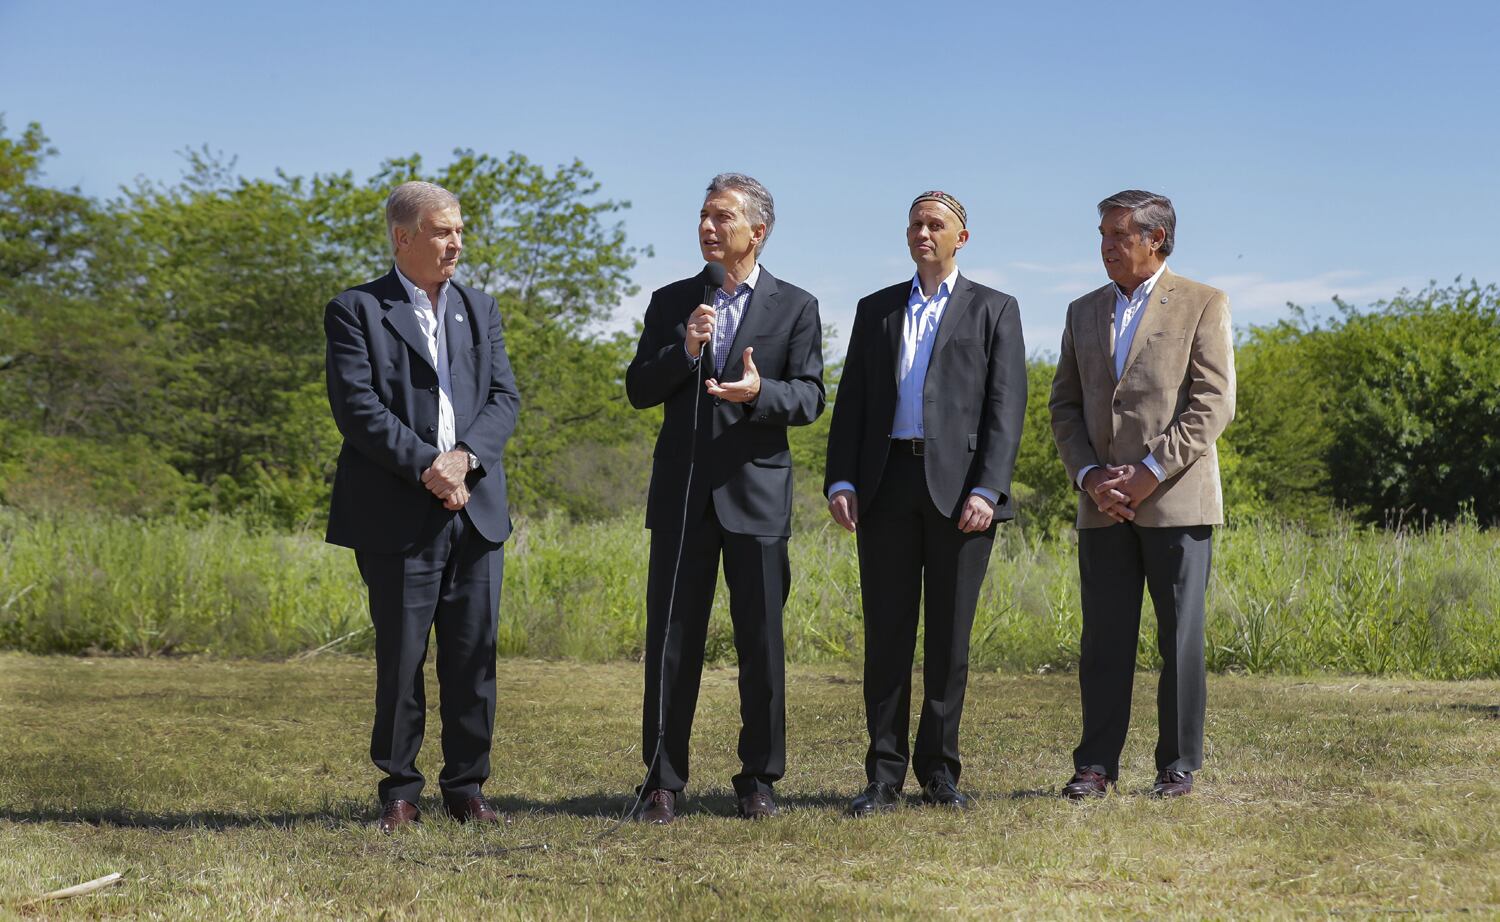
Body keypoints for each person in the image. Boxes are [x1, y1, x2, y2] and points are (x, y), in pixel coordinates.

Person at [625, 173, 825, 824]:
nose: (708, 228)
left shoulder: (796, 306)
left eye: (722, 218)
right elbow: (639, 388)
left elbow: (810, 397)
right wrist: (686, 348)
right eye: (703, 216)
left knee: (761, 644)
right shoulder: (673, 300)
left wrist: (758, 395)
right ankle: (661, 780)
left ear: (757, 231)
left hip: (757, 496)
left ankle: (759, 778)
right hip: (683, 497)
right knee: (671, 642)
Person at [324, 180, 520, 832]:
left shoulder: (480, 309)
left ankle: (467, 788)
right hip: (397, 513)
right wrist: (427, 467)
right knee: (403, 659)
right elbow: (357, 409)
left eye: (460, 229)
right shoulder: (356, 310)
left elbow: (503, 400)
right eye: (442, 231)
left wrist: (463, 459)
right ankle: (400, 792)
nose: (456, 242)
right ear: (402, 237)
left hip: (476, 508)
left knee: (473, 658)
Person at [824, 191, 1026, 816]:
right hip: (884, 488)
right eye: (915, 224)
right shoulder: (877, 309)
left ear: (961, 237)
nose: (922, 233)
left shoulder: (995, 309)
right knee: (886, 638)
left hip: (961, 494)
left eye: (935, 225)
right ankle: (883, 775)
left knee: (948, 642)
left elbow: (1006, 407)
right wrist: (841, 480)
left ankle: (939, 772)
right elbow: (852, 400)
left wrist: (988, 489)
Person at [1048, 189, 1235, 799]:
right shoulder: (1081, 311)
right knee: (1103, 639)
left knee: (1179, 635)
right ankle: (1095, 765)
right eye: (1102, 234)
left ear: (1157, 239)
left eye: (1119, 236)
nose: (1106, 246)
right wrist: (1090, 477)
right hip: (1102, 505)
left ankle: (1177, 766)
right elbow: (1065, 406)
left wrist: (1151, 471)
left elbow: (1212, 404)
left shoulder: (1204, 303)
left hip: (1177, 501)